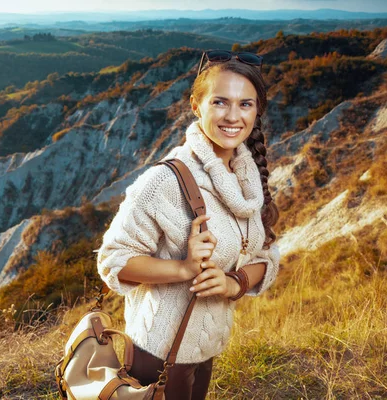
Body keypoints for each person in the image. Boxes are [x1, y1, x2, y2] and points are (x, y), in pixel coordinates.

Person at [96, 50, 281, 399]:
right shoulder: (164, 182)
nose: (232, 116)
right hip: (160, 353)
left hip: (204, 345)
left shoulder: (248, 180)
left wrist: (233, 283)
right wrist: (184, 268)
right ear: (197, 107)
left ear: (257, 112)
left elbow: (267, 256)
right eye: (220, 102)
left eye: (245, 105)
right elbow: (113, 262)